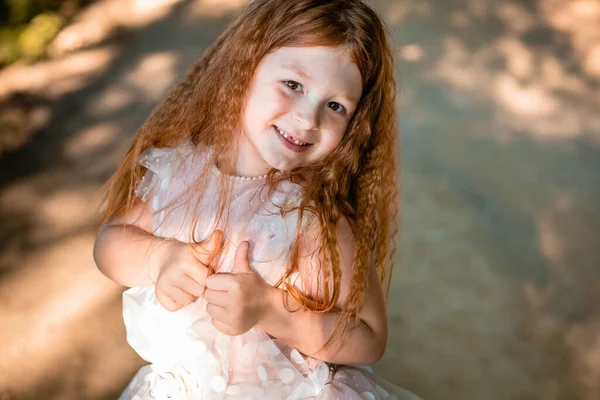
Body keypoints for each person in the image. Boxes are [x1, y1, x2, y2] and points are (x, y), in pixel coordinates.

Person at [93, 0, 421, 398]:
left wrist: (270, 309)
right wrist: (160, 258)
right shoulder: (178, 172)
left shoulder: (310, 219)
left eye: (335, 106)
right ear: (246, 66)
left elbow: (369, 337)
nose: (307, 119)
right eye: (294, 85)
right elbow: (110, 241)